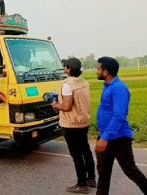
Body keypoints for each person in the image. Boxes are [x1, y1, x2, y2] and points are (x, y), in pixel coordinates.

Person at [95, 57, 147, 195]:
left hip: (118, 138)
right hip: (105, 136)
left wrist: (105, 138)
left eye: (98, 68)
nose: (96, 71)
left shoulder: (119, 88)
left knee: (131, 171)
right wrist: (103, 136)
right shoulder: (107, 86)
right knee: (103, 173)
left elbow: (119, 115)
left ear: (105, 72)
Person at [51, 58, 96, 194]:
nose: (64, 68)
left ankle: (81, 185)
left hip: (71, 124)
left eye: (65, 66)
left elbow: (66, 106)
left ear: (68, 69)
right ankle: (92, 179)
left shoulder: (67, 85)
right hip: (83, 121)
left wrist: (55, 105)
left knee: (76, 154)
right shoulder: (84, 82)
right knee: (86, 151)